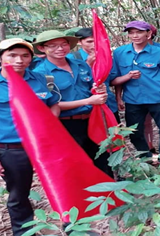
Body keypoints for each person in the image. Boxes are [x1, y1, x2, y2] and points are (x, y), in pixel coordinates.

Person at [0, 38, 60, 236]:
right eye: (12, 55)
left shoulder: (41, 79)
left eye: (25, 56)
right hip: (12, 149)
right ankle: (24, 235)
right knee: (18, 193)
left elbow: (54, 105)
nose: (19, 60)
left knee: (61, 183)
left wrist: (49, 127)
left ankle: (71, 224)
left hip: (44, 145)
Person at [32, 30, 112, 176]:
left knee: (102, 159)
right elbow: (47, 105)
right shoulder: (39, 73)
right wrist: (88, 101)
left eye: (64, 44)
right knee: (77, 164)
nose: (60, 48)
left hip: (93, 120)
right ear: (43, 48)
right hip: (66, 124)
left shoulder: (80, 65)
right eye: (53, 45)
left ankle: (109, 194)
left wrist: (99, 89)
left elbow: (90, 88)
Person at [112, 21, 160, 157]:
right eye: (131, 33)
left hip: (158, 98)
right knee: (135, 132)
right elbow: (115, 79)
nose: (135, 36)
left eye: (139, 32)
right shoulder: (120, 53)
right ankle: (146, 159)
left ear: (148, 34)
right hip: (133, 100)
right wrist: (118, 97)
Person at [67, 27, 120, 123]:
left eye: (97, 41)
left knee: (116, 135)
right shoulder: (71, 59)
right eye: (89, 41)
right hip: (86, 108)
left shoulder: (106, 57)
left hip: (109, 104)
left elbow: (112, 80)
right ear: (79, 42)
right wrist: (87, 65)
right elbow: (72, 82)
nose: (94, 44)